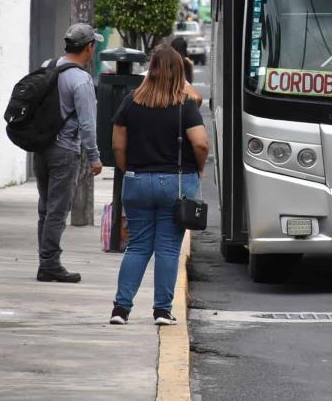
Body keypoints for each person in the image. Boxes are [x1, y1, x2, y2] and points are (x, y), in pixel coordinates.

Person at [108, 46, 209, 326]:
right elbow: (200, 142)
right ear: (180, 73)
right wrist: (199, 167)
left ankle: (121, 308)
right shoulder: (184, 106)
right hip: (175, 184)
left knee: (137, 246)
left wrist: (128, 168)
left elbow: (117, 144)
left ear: (150, 71)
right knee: (167, 249)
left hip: (137, 181)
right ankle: (162, 311)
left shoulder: (131, 102)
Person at [36, 24, 104, 283]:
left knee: (45, 208)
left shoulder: (48, 64)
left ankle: (45, 262)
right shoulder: (81, 79)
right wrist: (95, 157)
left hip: (41, 147)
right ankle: (50, 263)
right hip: (64, 151)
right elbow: (87, 124)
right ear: (88, 47)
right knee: (57, 210)